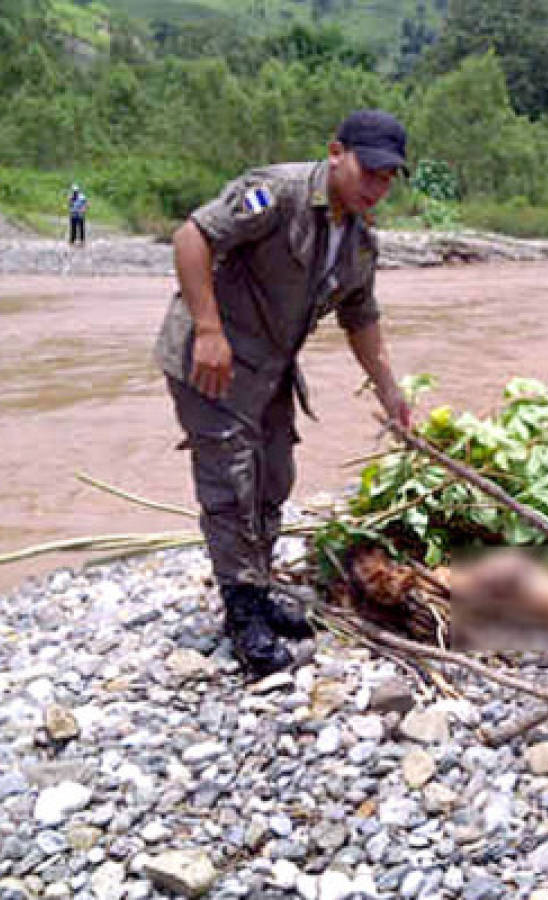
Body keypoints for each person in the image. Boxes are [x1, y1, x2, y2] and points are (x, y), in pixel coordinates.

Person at [154, 109, 412, 679]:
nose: (377, 188)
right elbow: (192, 237)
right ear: (336, 152)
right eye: (370, 172)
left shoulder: (360, 243)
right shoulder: (278, 194)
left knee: (274, 477)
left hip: (270, 369)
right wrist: (208, 330)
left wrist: (391, 392)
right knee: (231, 480)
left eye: (388, 179)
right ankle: (243, 615)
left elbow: (361, 318)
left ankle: (259, 588)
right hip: (211, 360)